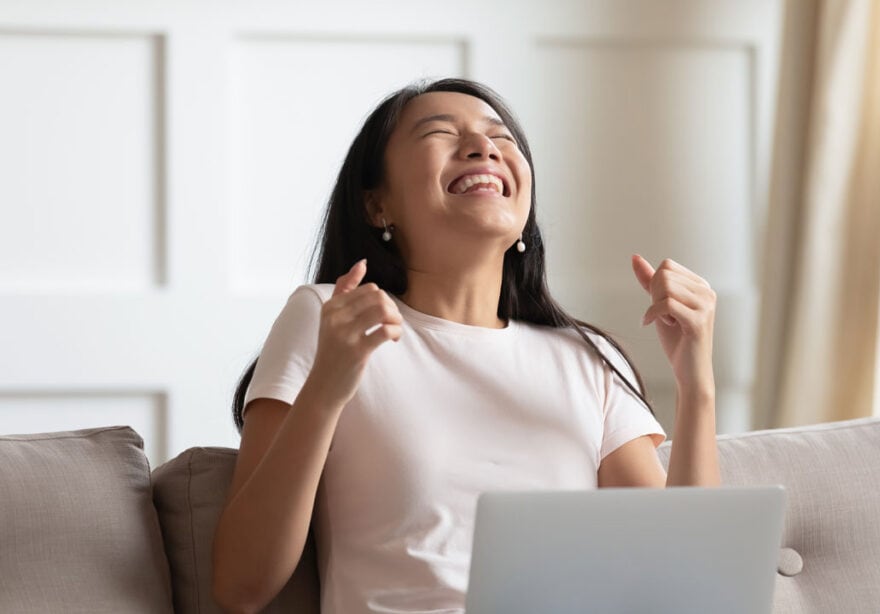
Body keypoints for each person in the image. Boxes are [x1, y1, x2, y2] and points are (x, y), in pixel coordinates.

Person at [211, 77, 721, 614]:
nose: (483, 147)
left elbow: (687, 587)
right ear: (377, 205)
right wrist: (324, 391)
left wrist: (696, 385)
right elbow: (239, 586)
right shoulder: (332, 319)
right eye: (440, 133)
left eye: (501, 137)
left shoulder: (587, 358)